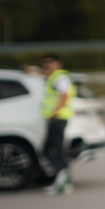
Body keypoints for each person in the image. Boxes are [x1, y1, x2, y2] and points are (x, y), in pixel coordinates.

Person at [31, 54, 74, 195]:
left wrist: (55, 112)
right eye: (45, 65)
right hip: (56, 118)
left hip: (58, 118)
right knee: (50, 148)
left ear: (58, 64)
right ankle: (62, 179)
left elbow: (64, 96)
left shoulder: (59, 78)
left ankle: (63, 177)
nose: (47, 67)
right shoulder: (53, 77)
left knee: (53, 148)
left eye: (50, 64)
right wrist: (33, 70)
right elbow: (42, 73)